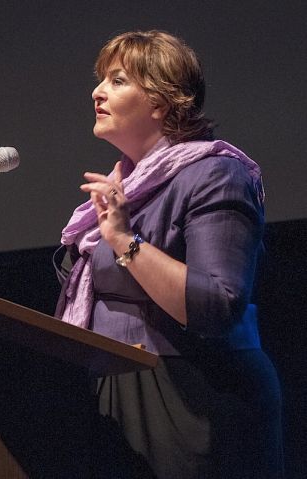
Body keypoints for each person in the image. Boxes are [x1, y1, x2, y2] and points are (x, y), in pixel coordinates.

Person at [54, 30, 283, 478]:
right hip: (119, 387)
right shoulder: (127, 187)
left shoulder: (216, 174)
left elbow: (218, 305)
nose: (97, 91)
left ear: (160, 103)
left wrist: (124, 241)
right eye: (102, 80)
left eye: (117, 80)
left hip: (195, 396)